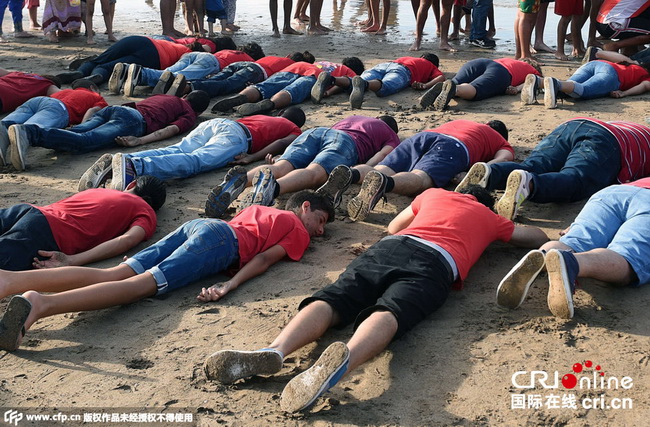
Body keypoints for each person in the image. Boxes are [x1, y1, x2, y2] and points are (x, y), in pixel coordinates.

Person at [200, 186, 548, 413]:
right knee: (392, 310)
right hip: (437, 262)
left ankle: (275, 350)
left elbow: (395, 226)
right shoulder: (489, 217)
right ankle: (343, 363)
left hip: (390, 247)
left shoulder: (434, 194)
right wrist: (501, 225)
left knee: (336, 297)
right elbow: (534, 236)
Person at [0, 191, 334, 352]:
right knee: (140, 287)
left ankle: (11, 280)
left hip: (202, 226)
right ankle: (41, 304)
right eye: (320, 221)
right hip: (221, 241)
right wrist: (229, 285)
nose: (319, 231)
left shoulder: (263, 207)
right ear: (305, 206)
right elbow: (263, 260)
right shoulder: (298, 230)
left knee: (116, 272)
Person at [496, 177, 650, 319]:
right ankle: (572, 262)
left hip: (613, 193)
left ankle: (543, 255)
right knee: (627, 258)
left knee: (573, 242)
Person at [204, 115, 400, 218]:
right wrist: (360, 170)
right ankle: (274, 188)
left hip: (316, 132)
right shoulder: (390, 134)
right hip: (348, 143)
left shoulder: (354, 118)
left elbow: (330, 132)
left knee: (282, 166)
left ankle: (240, 180)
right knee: (315, 173)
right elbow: (382, 156)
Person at [455, 118, 650, 220]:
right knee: (575, 178)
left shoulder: (637, 128)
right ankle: (530, 185)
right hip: (609, 142)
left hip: (573, 125)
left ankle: (490, 173)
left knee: (534, 165)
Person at [78, 107, 306, 194]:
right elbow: (281, 144)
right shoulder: (295, 129)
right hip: (238, 137)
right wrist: (252, 157)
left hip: (221, 123)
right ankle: (136, 166)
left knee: (176, 148)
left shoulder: (269, 117)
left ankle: (126, 159)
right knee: (195, 161)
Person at [318, 119, 513, 221]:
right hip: (455, 147)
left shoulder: (464, 123)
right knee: (420, 179)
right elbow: (500, 161)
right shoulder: (499, 139)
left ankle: (351, 174)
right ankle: (386, 183)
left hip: (422, 136)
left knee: (380, 168)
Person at [6, 91, 210, 170]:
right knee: (85, 141)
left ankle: (31, 134)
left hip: (118, 109)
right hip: (134, 120)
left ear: (187, 95)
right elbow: (171, 130)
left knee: (78, 132)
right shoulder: (189, 114)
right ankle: (31, 133)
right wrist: (140, 141)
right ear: (198, 110)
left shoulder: (169, 97)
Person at [0, 176, 165, 272]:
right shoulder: (146, 211)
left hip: (30, 210)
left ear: (132, 184)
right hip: (50, 232)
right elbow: (127, 239)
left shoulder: (102, 191)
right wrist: (73, 260)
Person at [0, 81, 107, 165]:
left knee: (6, 124)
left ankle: (3, 132)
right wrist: (82, 127)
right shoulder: (97, 97)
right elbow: (92, 111)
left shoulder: (64, 91)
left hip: (37, 100)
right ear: (93, 88)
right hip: (59, 107)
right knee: (29, 129)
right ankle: (24, 132)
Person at [212, 57, 364, 116]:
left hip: (297, 66)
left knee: (266, 86)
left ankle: (241, 97)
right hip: (315, 77)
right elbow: (342, 83)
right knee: (292, 91)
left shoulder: (325, 61)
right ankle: (271, 104)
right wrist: (328, 93)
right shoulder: (349, 72)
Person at [110, 43, 264, 97]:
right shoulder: (248, 61)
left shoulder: (231, 51)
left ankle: (126, 70)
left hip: (196, 55)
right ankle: (140, 72)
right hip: (210, 62)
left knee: (168, 73)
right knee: (177, 78)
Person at [59, 35, 211, 86]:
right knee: (109, 67)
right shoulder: (189, 56)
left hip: (143, 41)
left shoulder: (178, 43)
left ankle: (80, 72)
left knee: (99, 59)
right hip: (156, 59)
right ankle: (97, 77)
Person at [313, 54, 444, 109]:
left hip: (384, 64)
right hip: (403, 71)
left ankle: (332, 80)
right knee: (386, 86)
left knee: (356, 81)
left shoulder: (407, 57)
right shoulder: (430, 65)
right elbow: (441, 78)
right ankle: (365, 85)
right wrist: (426, 85)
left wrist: (329, 93)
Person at [170, 51, 314, 98]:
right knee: (226, 85)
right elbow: (276, 78)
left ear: (288, 55)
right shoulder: (291, 66)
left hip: (242, 64)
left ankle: (184, 86)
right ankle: (189, 87)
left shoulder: (274, 57)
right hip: (255, 72)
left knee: (216, 79)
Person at [417, 57, 542, 110]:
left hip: (481, 62)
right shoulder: (534, 70)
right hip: (502, 72)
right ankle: (456, 90)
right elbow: (531, 81)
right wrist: (517, 88)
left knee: (456, 80)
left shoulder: (511, 60)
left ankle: (446, 86)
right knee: (475, 89)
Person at [521, 58, 650, 108]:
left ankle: (539, 82)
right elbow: (644, 86)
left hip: (597, 63)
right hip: (612, 76)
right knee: (583, 91)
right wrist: (624, 93)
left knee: (570, 85)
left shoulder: (634, 64)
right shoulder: (646, 75)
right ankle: (556, 84)